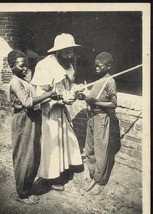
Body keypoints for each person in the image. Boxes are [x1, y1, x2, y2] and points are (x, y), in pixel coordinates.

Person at [31, 33, 84, 191]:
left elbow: (67, 89)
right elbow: (39, 95)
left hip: (62, 111)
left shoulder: (68, 65)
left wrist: (76, 91)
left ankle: (62, 170)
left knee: (66, 140)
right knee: (52, 144)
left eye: (72, 50)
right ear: (58, 51)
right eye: (68, 51)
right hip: (49, 112)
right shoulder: (44, 66)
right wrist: (59, 100)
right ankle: (50, 177)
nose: (71, 54)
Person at [7, 50, 55, 204]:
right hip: (23, 120)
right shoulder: (15, 82)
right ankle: (22, 193)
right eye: (21, 66)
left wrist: (53, 97)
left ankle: (27, 187)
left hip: (32, 119)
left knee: (33, 154)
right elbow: (27, 102)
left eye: (26, 65)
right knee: (24, 156)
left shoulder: (24, 81)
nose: (25, 68)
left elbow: (34, 99)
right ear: (11, 67)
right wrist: (48, 95)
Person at [84, 52, 121, 194]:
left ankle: (101, 181)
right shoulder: (98, 80)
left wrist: (96, 102)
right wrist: (86, 98)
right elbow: (93, 99)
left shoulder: (110, 81)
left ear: (108, 66)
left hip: (101, 119)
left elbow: (113, 104)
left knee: (100, 151)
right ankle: (94, 174)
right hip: (92, 118)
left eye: (99, 66)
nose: (96, 69)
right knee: (90, 147)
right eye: (95, 66)